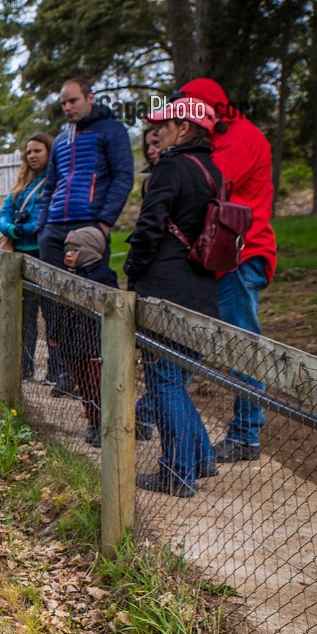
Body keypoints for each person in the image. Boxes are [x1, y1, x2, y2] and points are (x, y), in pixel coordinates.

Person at [123, 98, 225, 498]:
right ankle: (199, 458)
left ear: (183, 128)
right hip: (202, 289)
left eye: (163, 125)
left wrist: (133, 267)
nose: (156, 133)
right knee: (175, 382)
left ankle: (177, 472)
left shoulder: (171, 165)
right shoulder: (212, 170)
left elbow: (150, 223)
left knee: (164, 382)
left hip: (165, 286)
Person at [175, 78, 278, 464]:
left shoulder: (240, 138)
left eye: (189, 110)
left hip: (241, 254)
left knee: (242, 346)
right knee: (197, 338)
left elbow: (207, 185)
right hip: (217, 257)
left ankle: (246, 435)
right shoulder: (221, 137)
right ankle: (152, 408)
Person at [37, 78, 134, 396]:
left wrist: (103, 225)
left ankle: (95, 389)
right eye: (63, 103)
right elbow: (50, 184)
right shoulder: (62, 140)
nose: (67, 107)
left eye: (73, 101)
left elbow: (123, 176)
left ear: (89, 98)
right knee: (54, 303)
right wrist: (42, 227)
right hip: (54, 228)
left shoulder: (111, 131)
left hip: (89, 228)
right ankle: (61, 372)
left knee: (86, 309)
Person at [0, 133, 52, 378]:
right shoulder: (22, 185)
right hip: (20, 257)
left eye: (37, 151)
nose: (32, 156)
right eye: (28, 152)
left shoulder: (53, 182)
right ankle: (24, 367)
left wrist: (26, 229)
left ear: (49, 153)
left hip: (45, 256)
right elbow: (5, 214)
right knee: (24, 316)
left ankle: (58, 371)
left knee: (52, 316)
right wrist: (12, 229)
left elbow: (46, 218)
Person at [56, 226, 115, 447]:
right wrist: (56, 334)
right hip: (73, 342)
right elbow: (61, 308)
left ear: (90, 250)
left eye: (75, 249)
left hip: (95, 344)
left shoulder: (104, 276)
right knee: (84, 385)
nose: (68, 254)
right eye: (67, 250)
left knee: (97, 384)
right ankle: (92, 420)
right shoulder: (68, 277)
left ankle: (103, 423)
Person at [134, 124, 164, 440]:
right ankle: (145, 412)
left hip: (168, 277)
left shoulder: (171, 175)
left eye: (157, 142)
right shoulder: (152, 180)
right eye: (148, 144)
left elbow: (151, 229)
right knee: (156, 360)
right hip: (153, 274)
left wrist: (134, 264)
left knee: (167, 366)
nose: (152, 148)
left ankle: (144, 412)